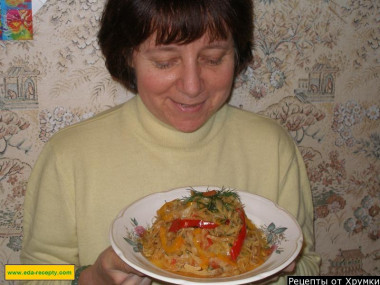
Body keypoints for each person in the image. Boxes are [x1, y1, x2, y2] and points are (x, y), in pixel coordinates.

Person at [21, 0, 321, 284]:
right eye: (165, 62)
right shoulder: (69, 154)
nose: (192, 86)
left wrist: (274, 274)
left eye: (213, 59)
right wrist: (90, 278)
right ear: (128, 56)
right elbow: (28, 275)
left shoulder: (273, 147)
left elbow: (307, 265)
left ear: (236, 54)